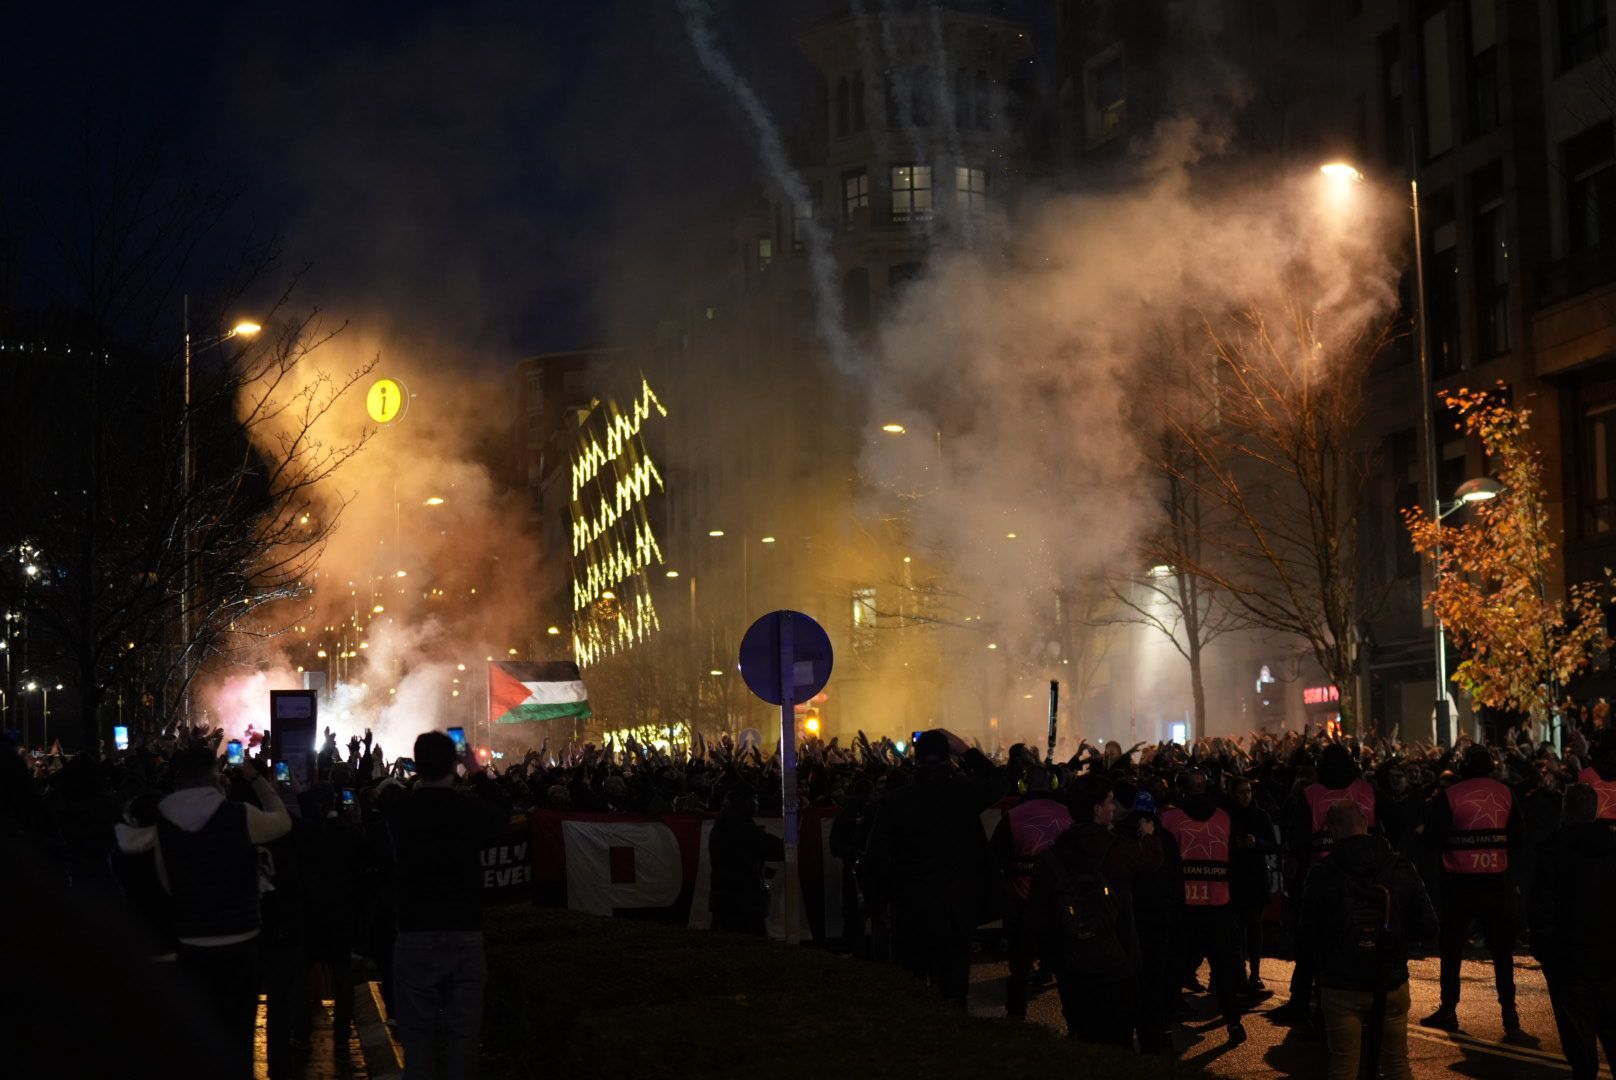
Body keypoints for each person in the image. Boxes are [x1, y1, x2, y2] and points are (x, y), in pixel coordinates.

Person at [143, 746, 293, 1078]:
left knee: (199, 1036)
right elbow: (282, 822)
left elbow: (167, 881)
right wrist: (256, 779)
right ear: (215, 776)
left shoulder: (162, 821)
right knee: (240, 1036)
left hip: (191, 942)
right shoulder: (239, 815)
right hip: (241, 941)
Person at [388, 730, 509, 1080]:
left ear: (416, 765)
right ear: (455, 765)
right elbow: (502, 814)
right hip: (464, 931)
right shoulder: (469, 810)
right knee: (462, 1038)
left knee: (418, 1039)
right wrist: (479, 772)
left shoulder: (400, 811)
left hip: (415, 933)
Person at [1301, 799, 1438, 1080]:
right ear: (1366, 824)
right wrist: (1394, 937)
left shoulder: (1323, 873)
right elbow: (1428, 926)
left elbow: (1307, 933)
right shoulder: (1400, 867)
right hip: (1389, 979)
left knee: (1343, 1067)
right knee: (1397, 1064)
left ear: (1334, 830)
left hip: (1341, 984)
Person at [862, 728, 1000, 1006]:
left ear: (916, 760)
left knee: (913, 990)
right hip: (956, 906)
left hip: (911, 905)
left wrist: (879, 904)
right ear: (949, 758)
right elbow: (999, 781)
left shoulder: (895, 802)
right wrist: (965, 749)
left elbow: (876, 858)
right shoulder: (964, 794)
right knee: (953, 989)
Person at [1031, 771, 1162, 1049]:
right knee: (1118, 1040)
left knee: (1080, 1036)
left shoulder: (1053, 855)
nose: (1114, 807)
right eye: (1110, 802)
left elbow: (1040, 914)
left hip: (1072, 960)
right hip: (1117, 956)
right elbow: (1151, 861)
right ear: (1096, 809)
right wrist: (1149, 835)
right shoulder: (1118, 849)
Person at [1420, 744, 1523, 1033]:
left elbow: (1431, 840)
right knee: (1502, 951)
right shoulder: (1505, 793)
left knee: (1451, 950)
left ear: (1464, 767)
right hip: (1497, 882)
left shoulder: (1450, 795)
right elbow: (1519, 837)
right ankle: (1509, 1013)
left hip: (1460, 884)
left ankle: (1449, 1009)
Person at [1275, 741, 1379, 1027]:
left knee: (1312, 943)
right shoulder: (1366, 790)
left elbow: (1295, 838)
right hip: (1365, 877)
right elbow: (1383, 829)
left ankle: (1307, 1005)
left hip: (1322, 879)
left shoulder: (1312, 794)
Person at [1530, 783, 1616, 1080]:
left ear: (1566, 809)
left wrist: (1547, 952)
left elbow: (1541, 909)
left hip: (1569, 959)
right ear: (1595, 810)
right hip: (1609, 957)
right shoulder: (1611, 848)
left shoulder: (1553, 852)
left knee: (1580, 1042)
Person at [1159, 769, 1247, 1044]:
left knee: (1173, 968)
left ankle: (1164, 1028)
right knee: (1224, 970)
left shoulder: (1169, 819)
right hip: (1218, 904)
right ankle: (1233, 1024)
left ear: (1181, 790)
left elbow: (1163, 865)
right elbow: (1234, 860)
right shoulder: (1224, 817)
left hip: (1183, 907)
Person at [990, 763, 1071, 1020]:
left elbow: (995, 861)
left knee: (1020, 969)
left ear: (1023, 786)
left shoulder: (1011, 817)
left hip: (1022, 903)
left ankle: (1016, 1016)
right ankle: (1075, 1027)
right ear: (1053, 785)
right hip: (1060, 903)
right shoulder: (1068, 814)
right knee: (1066, 969)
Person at [708, 782, 784, 935]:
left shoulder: (726, 824)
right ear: (742, 802)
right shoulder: (739, 827)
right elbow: (773, 848)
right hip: (741, 901)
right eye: (753, 799)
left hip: (729, 899)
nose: (756, 804)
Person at [1227, 776, 1277, 997]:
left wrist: (1256, 843)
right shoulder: (1227, 816)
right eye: (1241, 792)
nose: (1246, 796)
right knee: (1236, 930)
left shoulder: (1260, 815)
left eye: (1248, 791)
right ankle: (1237, 973)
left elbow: (1273, 845)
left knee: (1255, 930)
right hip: (1236, 879)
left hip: (1255, 879)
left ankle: (1254, 974)